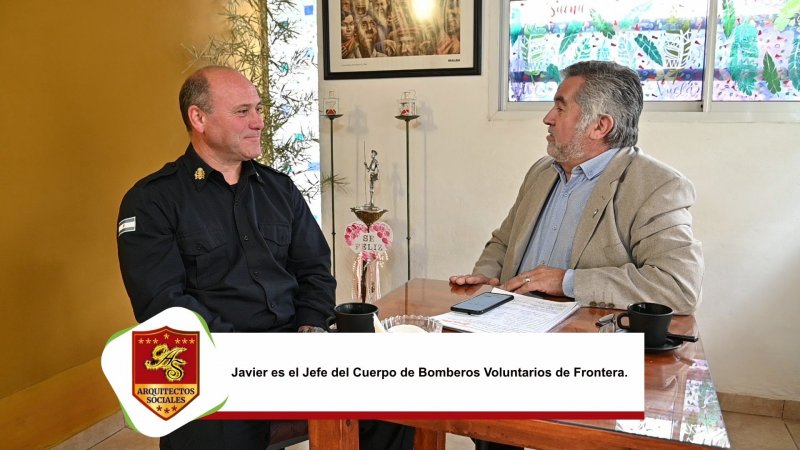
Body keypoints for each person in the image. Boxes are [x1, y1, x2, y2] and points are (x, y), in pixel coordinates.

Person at [117, 66, 413, 450]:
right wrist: (254, 359)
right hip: (216, 361)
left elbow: (314, 270)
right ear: (199, 118)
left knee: (396, 401)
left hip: (295, 347)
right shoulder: (152, 201)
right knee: (221, 435)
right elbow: (162, 304)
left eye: (258, 109)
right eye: (243, 111)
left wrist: (310, 326)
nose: (258, 122)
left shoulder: (279, 189)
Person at [450, 59, 704, 450]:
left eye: (560, 106)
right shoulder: (542, 171)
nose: (547, 118)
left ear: (600, 125)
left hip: (584, 357)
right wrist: (488, 275)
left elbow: (678, 286)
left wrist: (566, 281)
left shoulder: (655, 184)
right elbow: (503, 241)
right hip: (510, 339)